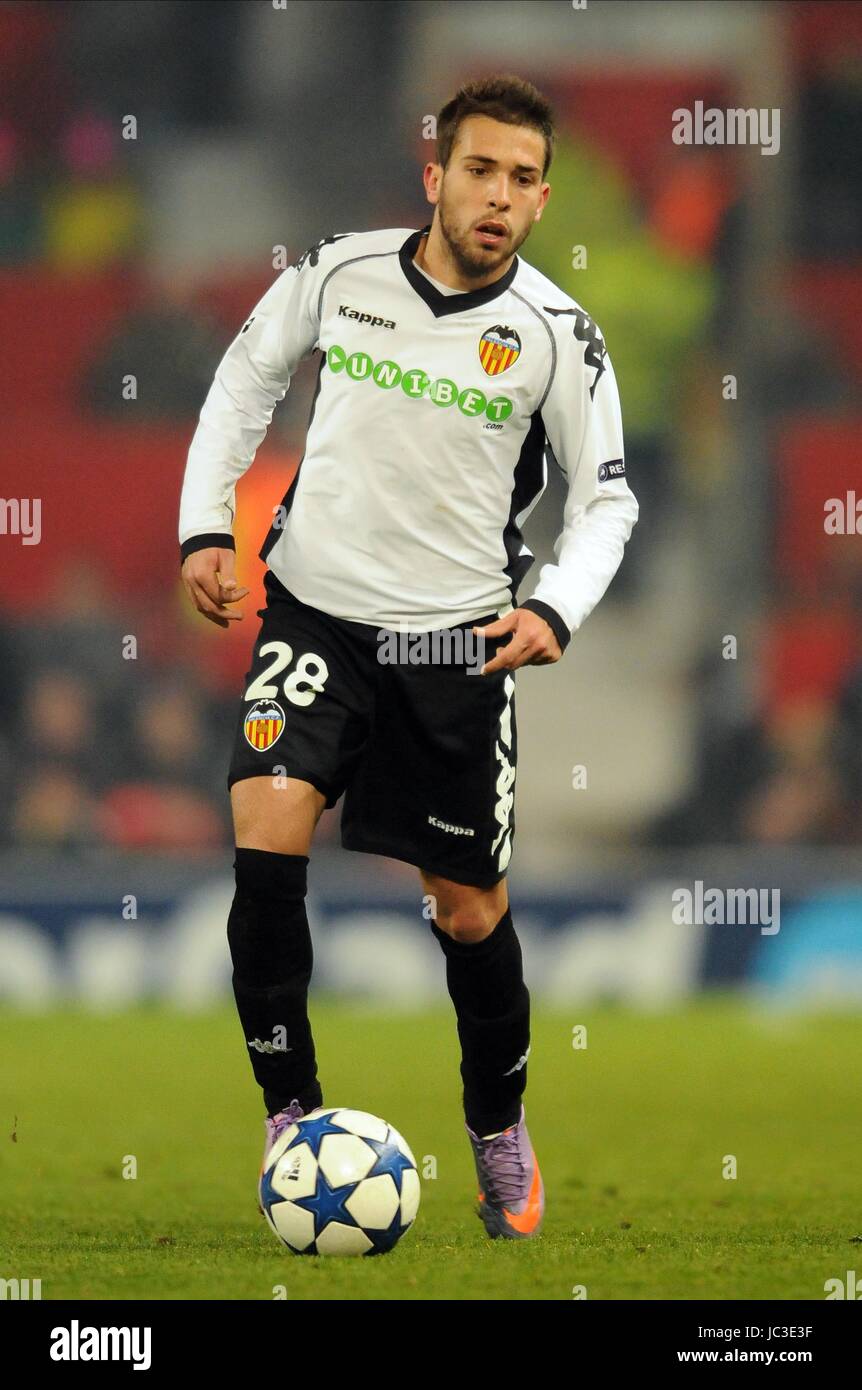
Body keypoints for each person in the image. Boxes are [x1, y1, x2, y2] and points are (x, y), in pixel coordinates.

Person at [178, 73, 638, 1242]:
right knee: (264, 833)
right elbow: (245, 377)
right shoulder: (339, 269)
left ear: (541, 199)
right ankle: (293, 1119)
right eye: (478, 170)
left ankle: (497, 1126)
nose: (498, 196)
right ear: (433, 175)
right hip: (316, 617)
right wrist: (202, 524)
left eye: (522, 179)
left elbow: (607, 503)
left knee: (466, 908)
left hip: (456, 649)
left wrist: (555, 609)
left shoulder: (556, 337)